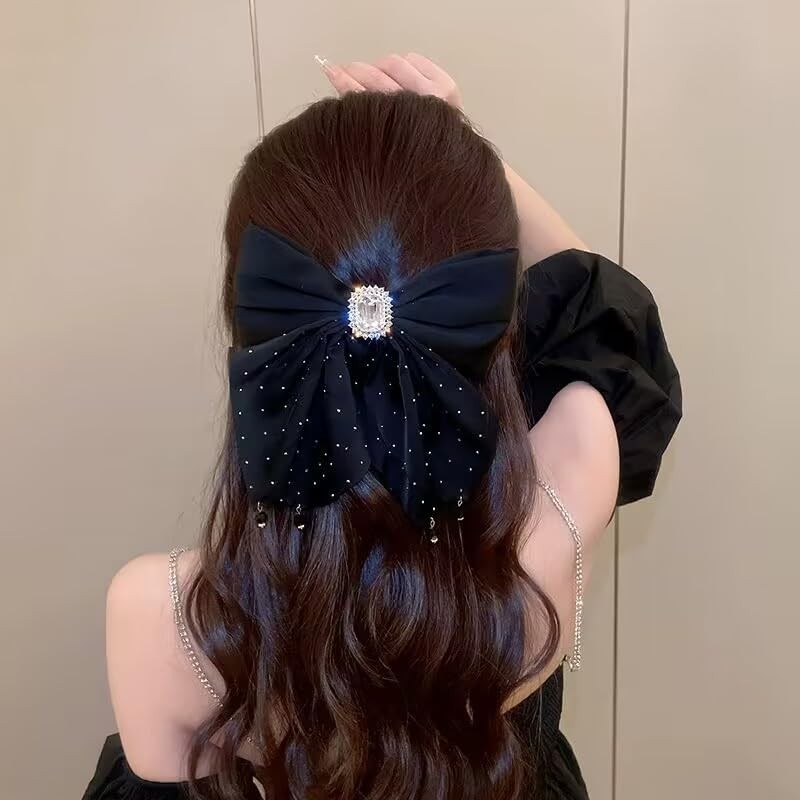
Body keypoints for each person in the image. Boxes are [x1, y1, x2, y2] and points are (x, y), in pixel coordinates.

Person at [84, 54, 681, 800]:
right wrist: (467, 152)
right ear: (493, 321)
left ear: (250, 326)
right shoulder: (567, 491)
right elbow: (606, 322)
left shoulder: (159, 612)